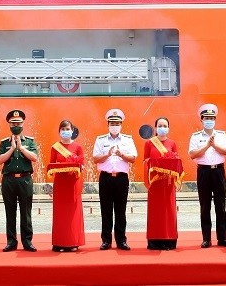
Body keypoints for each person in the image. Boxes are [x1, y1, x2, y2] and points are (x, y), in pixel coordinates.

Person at [188, 103, 226, 248]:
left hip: (218, 171)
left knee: (220, 205)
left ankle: (223, 238)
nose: (209, 120)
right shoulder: (195, 137)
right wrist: (207, 146)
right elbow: (192, 154)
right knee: (205, 205)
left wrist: (214, 146)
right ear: (201, 120)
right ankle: (206, 238)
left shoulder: (221, 135)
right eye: (206, 118)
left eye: (212, 118)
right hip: (204, 172)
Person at [92, 108, 137, 251]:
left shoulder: (127, 140)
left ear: (121, 125)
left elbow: (133, 158)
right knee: (105, 210)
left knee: (120, 210)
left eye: (117, 123)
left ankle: (121, 240)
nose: (114, 126)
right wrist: (107, 154)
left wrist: (121, 154)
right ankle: (106, 241)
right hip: (105, 178)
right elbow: (95, 158)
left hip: (121, 178)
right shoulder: (101, 140)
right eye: (112, 123)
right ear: (108, 125)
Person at [0, 109, 38, 252]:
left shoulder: (30, 141)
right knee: (10, 212)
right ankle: (11, 242)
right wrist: (12, 148)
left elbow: (35, 158)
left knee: (26, 212)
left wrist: (21, 148)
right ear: (9, 125)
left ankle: (27, 242)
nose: (16, 125)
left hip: (25, 179)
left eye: (18, 123)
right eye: (13, 123)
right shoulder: (4, 142)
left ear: (23, 124)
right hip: (9, 180)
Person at [144, 117, 181, 250]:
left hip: (168, 182)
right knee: (155, 212)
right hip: (155, 183)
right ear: (155, 128)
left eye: (165, 125)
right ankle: (154, 240)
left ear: (168, 128)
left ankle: (169, 239)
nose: (162, 128)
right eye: (160, 125)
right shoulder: (149, 143)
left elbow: (176, 161)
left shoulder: (172, 143)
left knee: (169, 210)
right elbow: (145, 162)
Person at [48, 119, 85, 252]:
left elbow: (82, 166)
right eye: (63, 129)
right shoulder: (55, 147)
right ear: (59, 132)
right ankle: (59, 242)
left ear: (72, 131)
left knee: (72, 213)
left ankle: (73, 242)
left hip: (73, 183)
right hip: (60, 184)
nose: (65, 132)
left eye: (67, 129)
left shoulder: (78, 147)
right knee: (60, 213)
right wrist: (49, 187)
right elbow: (50, 167)